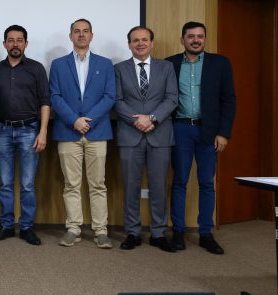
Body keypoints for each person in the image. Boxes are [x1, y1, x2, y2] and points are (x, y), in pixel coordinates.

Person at [166, 22, 236, 255]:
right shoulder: (170, 63)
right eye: (191, 36)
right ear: (182, 39)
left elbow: (229, 100)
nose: (196, 40)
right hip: (180, 129)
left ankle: (206, 233)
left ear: (205, 39)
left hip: (209, 131)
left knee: (207, 182)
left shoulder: (220, 63)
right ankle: (178, 231)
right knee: (179, 181)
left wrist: (223, 132)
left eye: (200, 36)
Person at [49, 18, 116, 249]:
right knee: (71, 184)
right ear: (70, 36)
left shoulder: (105, 64)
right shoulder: (58, 65)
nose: (81, 35)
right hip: (68, 131)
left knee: (98, 184)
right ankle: (73, 228)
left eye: (85, 31)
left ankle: (101, 230)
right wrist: (74, 120)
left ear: (91, 35)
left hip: (97, 131)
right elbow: (55, 96)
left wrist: (88, 120)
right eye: (76, 31)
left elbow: (109, 96)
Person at [114, 26, 178, 252]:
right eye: (135, 40)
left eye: (144, 40)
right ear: (129, 44)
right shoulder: (118, 69)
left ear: (152, 43)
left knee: (159, 186)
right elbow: (117, 100)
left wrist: (151, 118)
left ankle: (158, 233)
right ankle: (132, 232)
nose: (140, 43)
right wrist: (137, 121)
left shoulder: (166, 67)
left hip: (159, 134)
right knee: (130, 186)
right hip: (130, 135)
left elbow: (172, 98)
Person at [0, 25, 50, 246]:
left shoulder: (36, 68)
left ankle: (26, 227)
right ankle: (6, 225)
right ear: (4, 44)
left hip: (29, 131)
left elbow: (45, 102)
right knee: (5, 183)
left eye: (19, 40)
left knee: (27, 184)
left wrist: (43, 132)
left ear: (26, 43)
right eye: (11, 40)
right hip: (2, 130)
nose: (15, 44)